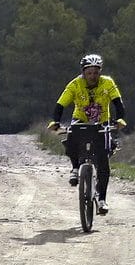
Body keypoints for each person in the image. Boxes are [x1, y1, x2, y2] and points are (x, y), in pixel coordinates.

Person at [46, 53, 127, 215]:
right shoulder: (75, 84)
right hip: (80, 121)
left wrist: (120, 120)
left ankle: (102, 199)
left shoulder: (108, 83)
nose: (92, 76)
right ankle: (75, 168)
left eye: (96, 73)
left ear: (100, 72)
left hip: (102, 123)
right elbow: (60, 105)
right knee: (71, 137)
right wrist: (55, 121)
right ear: (83, 72)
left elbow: (118, 103)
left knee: (103, 161)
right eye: (89, 73)